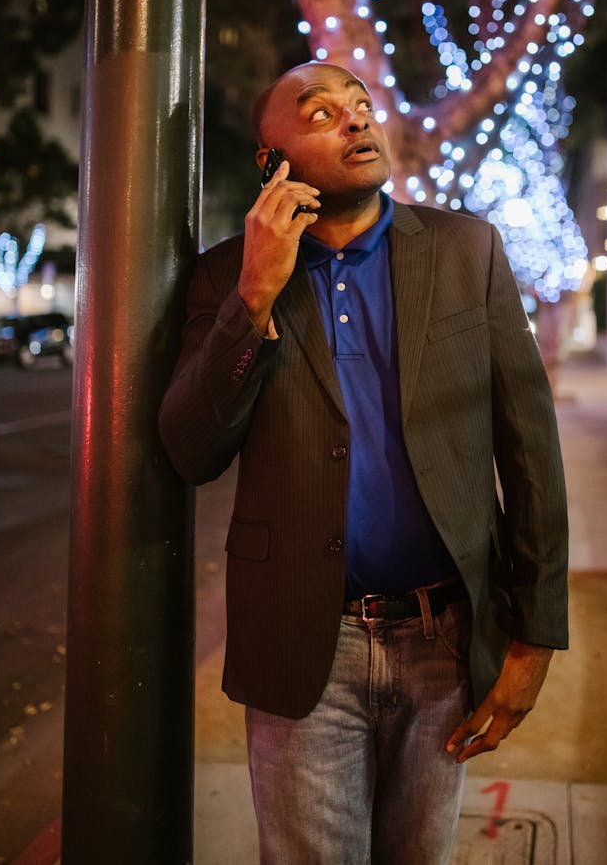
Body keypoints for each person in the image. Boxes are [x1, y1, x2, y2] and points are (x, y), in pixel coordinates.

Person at [159, 61, 569, 864]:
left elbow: (530, 448)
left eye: (361, 105)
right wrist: (253, 299)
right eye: (321, 112)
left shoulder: (465, 250)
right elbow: (188, 448)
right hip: (304, 642)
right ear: (271, 161)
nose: (355, 120)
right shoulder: (224, 276)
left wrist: (534, 637)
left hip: (446, 635)